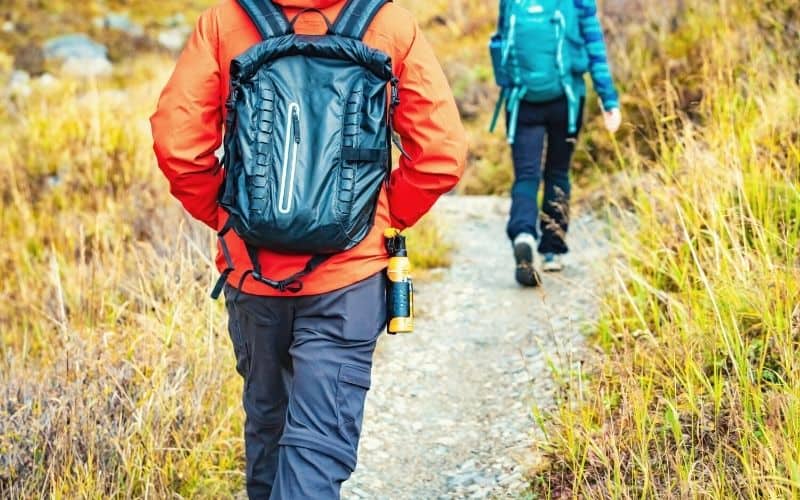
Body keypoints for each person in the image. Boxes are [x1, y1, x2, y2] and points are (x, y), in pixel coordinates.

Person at [150, 0, 466, 498]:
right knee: (317, 448)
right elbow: (440, 156)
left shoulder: (224, 21)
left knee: (268, 432)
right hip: (349, 282)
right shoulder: (389, 24)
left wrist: (228, 219)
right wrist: (379, 218)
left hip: (252, 276)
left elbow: (177, 145)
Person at [490, 0, 621, 286]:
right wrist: (608, 98)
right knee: (558, 172)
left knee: (526, 175)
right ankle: (552, 250)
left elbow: (500, 41)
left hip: (522, 100)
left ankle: (523, 233)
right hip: (567, 99)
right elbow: (593, 43)